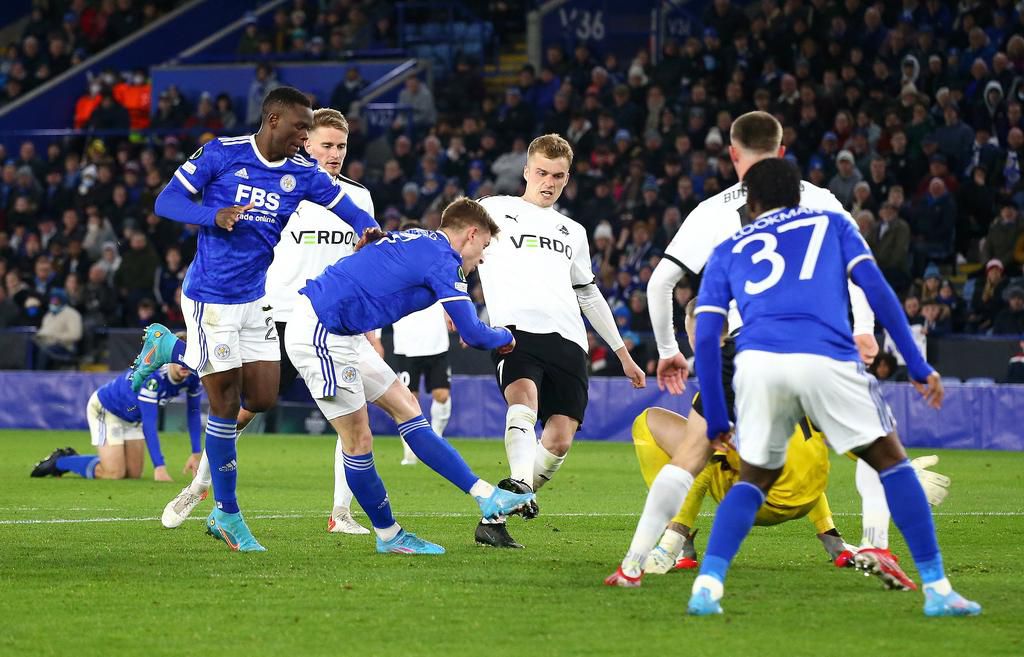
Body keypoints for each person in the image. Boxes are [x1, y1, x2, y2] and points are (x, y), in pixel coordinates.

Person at [685, 158, 979, 618]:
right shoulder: (833, 225)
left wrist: (718, 418)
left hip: (758, 363)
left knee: (755, 478)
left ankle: (708, 586)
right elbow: (877, 291)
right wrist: (918, 364)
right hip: (826, 355)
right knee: (891, 462)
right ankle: (938, 588)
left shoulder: (730, 248)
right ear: (798, 196)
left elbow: (706, 337)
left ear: (752, 202)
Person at [609, 111, 883, 583]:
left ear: (732, 154)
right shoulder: (822, 201)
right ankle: (878, 547)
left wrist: (669, 348)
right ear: (782, 152)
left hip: (744, 353)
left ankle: (648, 558)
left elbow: (661, 283)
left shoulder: (714, 213)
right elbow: (862, 268)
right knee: (878, 450)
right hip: (819, 344)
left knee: (694, 450)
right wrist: (864, 328)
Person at [130, 87, 379, 552]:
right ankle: (227, 514)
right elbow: (165, 202)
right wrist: (212, 214)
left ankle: (173, 349)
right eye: (300, 128)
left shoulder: (300, 173)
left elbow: (341, 204)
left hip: (255, 298)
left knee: (261, 397)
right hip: (210, 299)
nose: (304, 138)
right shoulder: (222, 155)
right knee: (224, 404)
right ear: (273, 121)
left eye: (310, 130)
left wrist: (367, 230)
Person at [285, 199, 535, 554]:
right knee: (357, 441)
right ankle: (389, 535)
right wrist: (507, 338)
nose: (483, 257)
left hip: (344, 330)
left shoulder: (421, 239)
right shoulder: (443, 260)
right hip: (321, 331)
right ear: (472, 234)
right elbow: (476, 335)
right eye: (485, 247)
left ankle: (485, 496)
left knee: (408, 406)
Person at [475, 134, 646, 548]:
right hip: (514, 332)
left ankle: (497, 516)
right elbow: (454, 248)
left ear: (567, 178)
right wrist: (450, 297)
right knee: (522, 401)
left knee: (559, 438)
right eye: (541, 173)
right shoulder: (494, 209)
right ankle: (518, 483)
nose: (548, 182)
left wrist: (623, 353)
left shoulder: (573, 230)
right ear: (526, 171)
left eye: (558, 176)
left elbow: (587, 292)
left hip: (569, 340)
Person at [31, 358, 201, 482]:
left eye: (188, 359)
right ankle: (61, 461)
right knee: (114, 473)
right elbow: (149, 423)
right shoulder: (153, 378)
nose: (185, 364)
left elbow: (193, 412)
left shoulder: (192, 377)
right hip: (106, 409)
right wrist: (159, 467)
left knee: (133, 474)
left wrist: (195, 453)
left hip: (132, 418)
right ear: (169, 359)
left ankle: (95, 459)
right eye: (180, 360)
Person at [392, 293, 452, 465]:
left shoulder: (436, 270)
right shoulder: (395, 273)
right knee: (407, 400)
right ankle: (410, 450)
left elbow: (451, 295)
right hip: (406, 346)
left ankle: (437, 438)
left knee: (442, 395)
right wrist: (377, 338)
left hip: (437, 344)